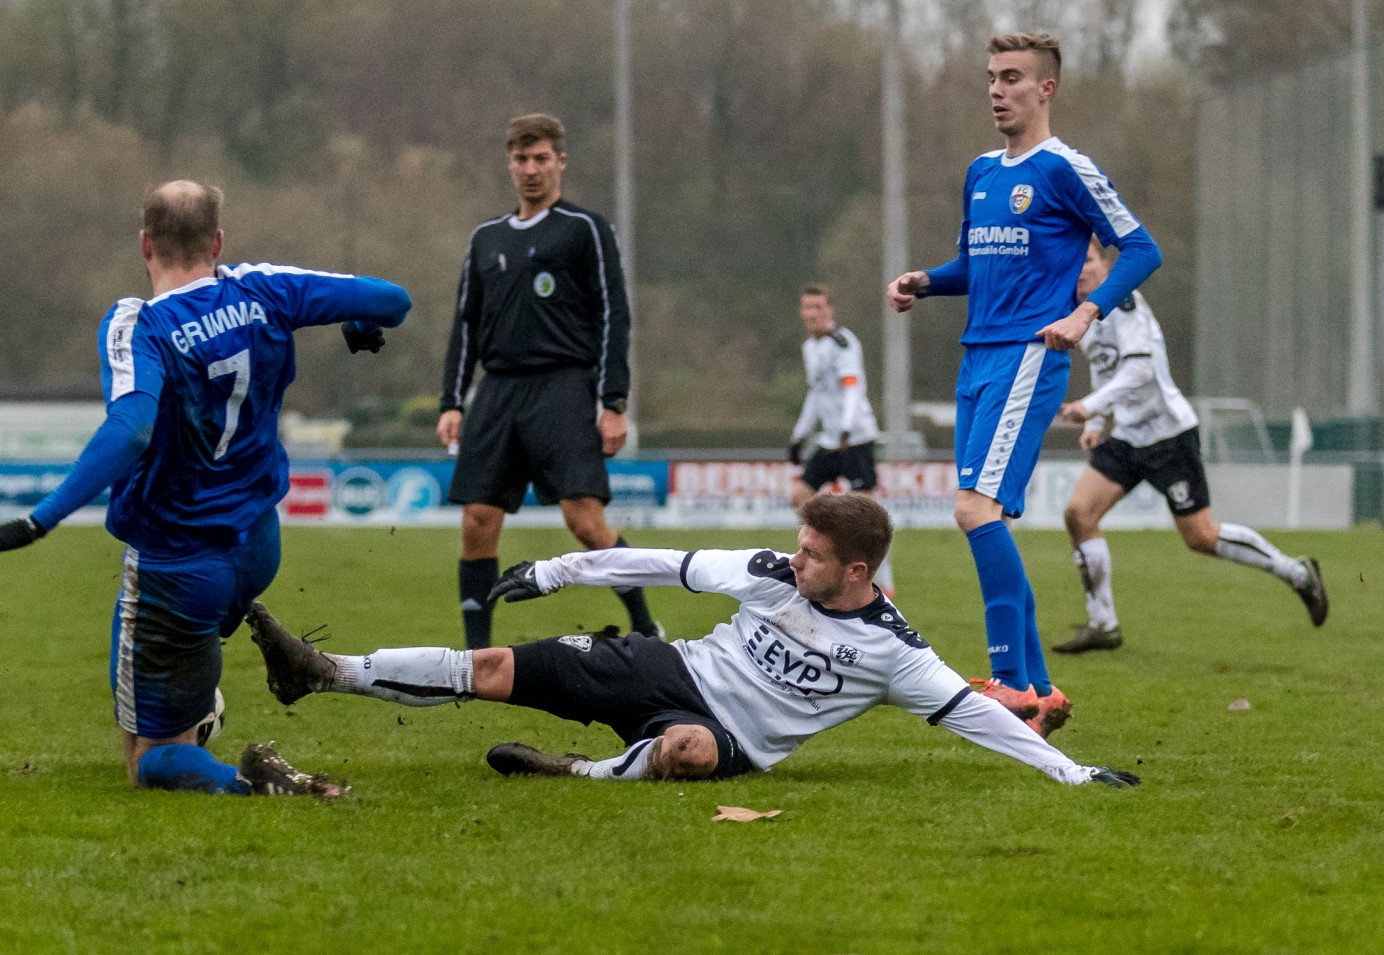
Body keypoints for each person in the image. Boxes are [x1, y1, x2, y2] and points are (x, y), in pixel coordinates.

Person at [0, 180, 411, 798]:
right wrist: (356, 318)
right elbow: (393, 299)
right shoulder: (260, 287)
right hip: (257, 547)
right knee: (161, 682)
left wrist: (40, 520)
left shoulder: (140, 323)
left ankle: (255, 782)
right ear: (217, 241)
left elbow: (132, 428)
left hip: (178, 564)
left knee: (146, 758)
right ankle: (200, 701)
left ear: (145, 244)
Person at [242, 494, 1140, 789]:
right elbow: (666, 562)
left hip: (734, 737)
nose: (796, 559)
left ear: (861, 572)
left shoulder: (893, 651)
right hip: (670, 662)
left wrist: (1076, 772)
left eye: (816, 555)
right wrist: (555, 571)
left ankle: (577, 772)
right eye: (799, 544)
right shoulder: (765, 569)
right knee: (492, 668)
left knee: (688, 750)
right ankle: (321, 671)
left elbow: (972, 717)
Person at [884, 31, 1162, 736]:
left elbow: (1141, 247)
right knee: (986, 517)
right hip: (977, 356)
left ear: (1047, 88)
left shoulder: (1066, 168)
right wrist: (927, 281)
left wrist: (1085, 311)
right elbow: (978, 265)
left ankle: (1009, 680)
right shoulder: (981, 171)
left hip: (1031, 355)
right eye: (990, 78)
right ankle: (1039, 688)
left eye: (1011, 77)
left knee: (974, 512)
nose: (996, 91)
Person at [436, 113, 656, 651]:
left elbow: (614, 316)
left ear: (560, 161)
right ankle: (477, 655)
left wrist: (614, 401)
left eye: (540, 159)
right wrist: (452, 400)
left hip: (563, 385)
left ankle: (647, 628)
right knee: (477, 520)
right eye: (520, 159)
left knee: (584, 521)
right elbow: (466, 323)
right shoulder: (486, 238)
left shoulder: (585, 229)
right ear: (509, 164)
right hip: (498, 390)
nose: (530, 170)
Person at [1056, 239, 1328, 651]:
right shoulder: (1083, 317)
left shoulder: (1125, 302)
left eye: (1088, 261)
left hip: (1168, 436)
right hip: (1128, 436)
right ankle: (1103, 625)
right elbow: (1105, 369)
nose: (1080, 271)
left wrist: (1088, 406)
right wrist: (1095, 422)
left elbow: (1139, 368)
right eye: (1073, 263)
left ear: (1106, 265)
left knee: (1200, 537)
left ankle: (1298, 574)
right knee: (1079, 513)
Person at [786, 283, 894, 594]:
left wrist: (847, 428)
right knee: (800, 497)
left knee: (870, 513)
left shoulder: (844, 342)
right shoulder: (810, 347)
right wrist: (799, 434)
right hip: (829, 441)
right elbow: (816, 395)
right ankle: (820, 557)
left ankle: (884, 583)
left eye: (818, 307)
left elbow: (852, 388)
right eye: (807, 307)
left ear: (829, 310)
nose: (812, 313)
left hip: (856, 437)